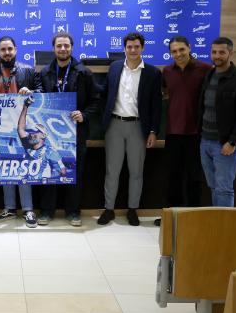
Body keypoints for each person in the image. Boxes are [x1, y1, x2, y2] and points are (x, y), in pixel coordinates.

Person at [97, 32, 161, 226]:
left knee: (136, 171)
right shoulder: (115, 67)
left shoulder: (152, 73)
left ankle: (133, 209)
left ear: (142, 48)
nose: (132, 50)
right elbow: (105, 93)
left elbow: (156, 105)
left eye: (136, 47)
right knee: (112, 170)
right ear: (124, 48)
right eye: (129, 47)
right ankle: (109, 209)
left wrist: (153, 131)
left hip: (138, 126)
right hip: (114, 125)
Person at [38, 32, 100, 227]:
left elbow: (96, 101)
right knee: (50, 170)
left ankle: (73, 212)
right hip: (50, 132)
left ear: (72, 47)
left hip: (76, 131)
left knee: (74, 172)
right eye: (59, 46)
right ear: (54, 48)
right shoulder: (45, 72)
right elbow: (40, 98)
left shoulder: (84, 72)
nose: (63, 49)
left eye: (66, 46)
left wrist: (84, 114)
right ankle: (47, 211)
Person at [0, 36, 41, 228]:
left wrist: (30, 91)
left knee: (23, 165)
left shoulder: (28, 70)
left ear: (16, 50)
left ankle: (28, 209)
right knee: (6, 165)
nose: (7, 53)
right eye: (3, 50)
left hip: (23, 123)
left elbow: (41, 92)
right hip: (0, 125)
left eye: (10, 49)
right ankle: (10, 207)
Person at [154, 36, 212, 226]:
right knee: (173, 176)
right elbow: (164, 94)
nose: (178, 54)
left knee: (194, 177)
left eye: (181, 50)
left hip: (196, 132)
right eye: (174, 51)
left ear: (189, 48)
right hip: (173, 132)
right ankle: (172, 218)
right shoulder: (167, 71)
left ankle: (193, 218)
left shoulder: (205, 70)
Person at [198, 37, 236, 207]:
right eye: (214, 52)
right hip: (205, 141)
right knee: (213, 186)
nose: (217, 56)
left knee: (224, 188)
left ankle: (225, 228)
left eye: (222, 52)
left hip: (225, 144)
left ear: (231, 53)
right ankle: (218, 222)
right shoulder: (209, 74)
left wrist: (232, 141)